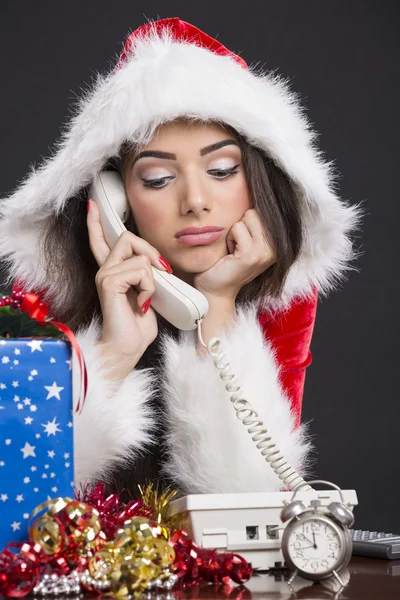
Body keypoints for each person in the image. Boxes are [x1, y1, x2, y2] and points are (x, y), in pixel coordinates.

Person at [0, 18, 361, 496]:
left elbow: (250, 507)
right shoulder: (35, 312)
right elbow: (18, 502)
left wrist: (218, 312)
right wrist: (111, 354)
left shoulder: (280, 300)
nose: (195, 200)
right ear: (115, 198)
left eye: (222, 169)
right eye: (157, 178)